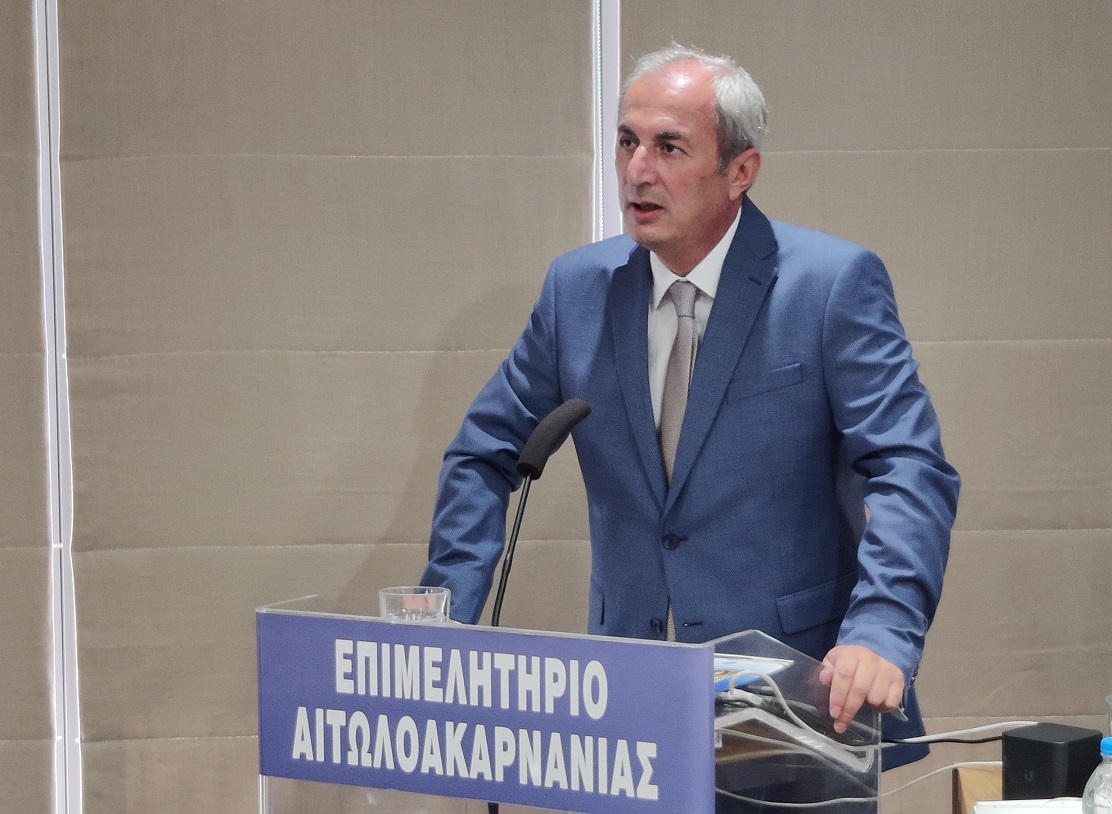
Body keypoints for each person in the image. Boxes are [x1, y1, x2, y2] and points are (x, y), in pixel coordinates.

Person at [420, 44, 959, 769]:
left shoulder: (830, 286)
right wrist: (444, 621)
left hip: (797, 695)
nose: (638, 170)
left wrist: (883, 629)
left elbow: (909, 467)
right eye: (627, 142)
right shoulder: (577, 292)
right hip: (629, 700)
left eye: (669, 147)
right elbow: (483, 452)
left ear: (741, 171)